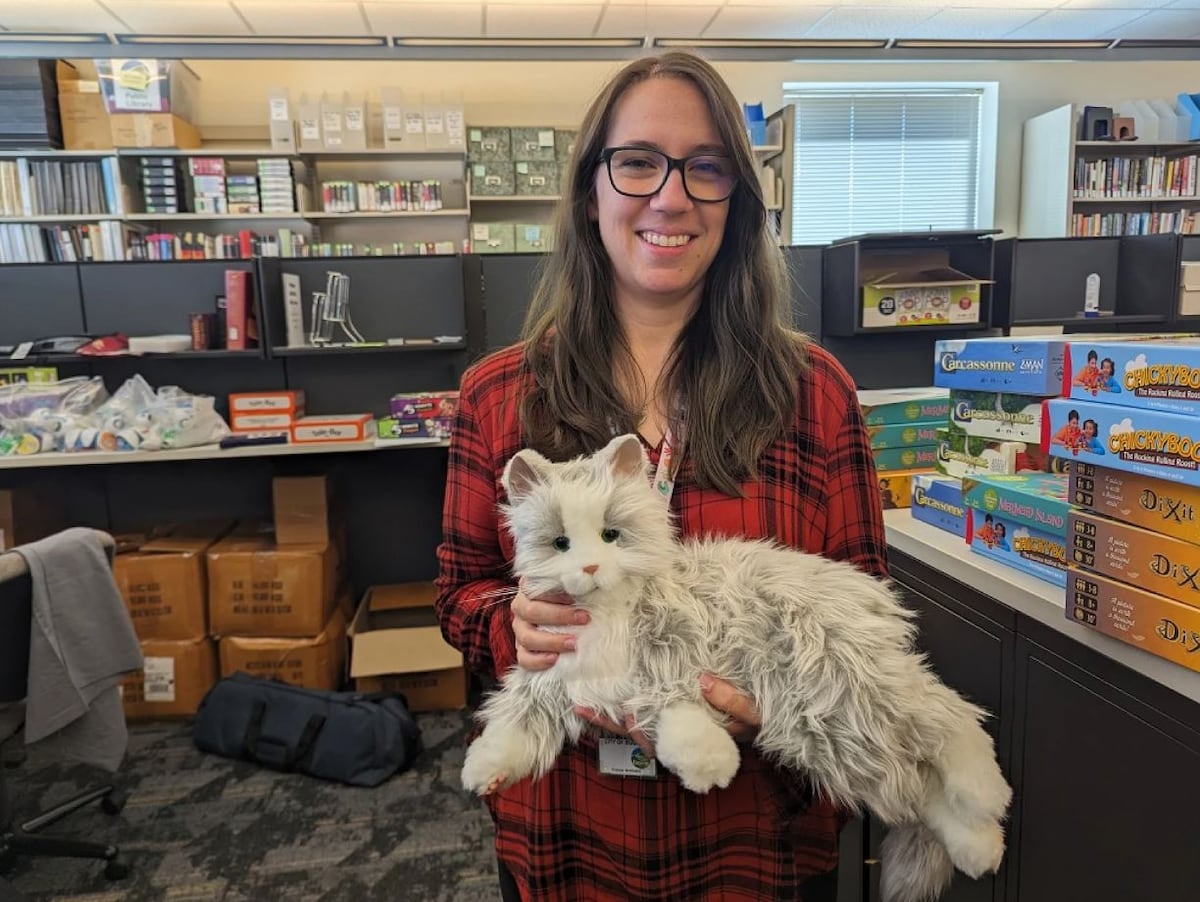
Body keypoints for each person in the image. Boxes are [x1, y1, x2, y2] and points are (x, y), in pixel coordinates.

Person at [435, 50, 887, 902]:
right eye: (637, 161)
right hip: (569, 829)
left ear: (738, 204)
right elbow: (461, 594)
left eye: (706, 168)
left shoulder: (815, 393)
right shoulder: (497, 397)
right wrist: (513, 629)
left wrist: (780, 698)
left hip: (756, 833)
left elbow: (861, 605)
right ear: (589, 192)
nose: (670, 196)